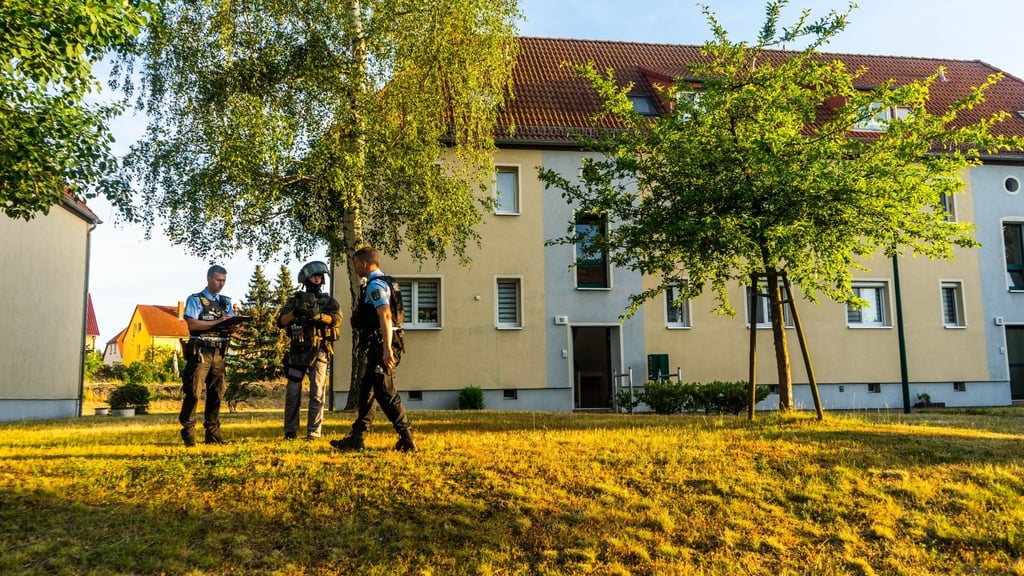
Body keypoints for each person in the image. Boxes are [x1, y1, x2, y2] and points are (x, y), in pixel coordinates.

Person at [330, 246, 416, 452]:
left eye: (355, 264)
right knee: (367, 390)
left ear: (364, 263)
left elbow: (385, 315)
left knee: (385, 391)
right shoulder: (389, 281)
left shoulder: (375, 285)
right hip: (387, 340)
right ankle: (357, 438)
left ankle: (407, 439)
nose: (355, 268)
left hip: (383, 343)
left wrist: (386, 348)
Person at [277, 261, 342, 440]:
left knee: (317, 393)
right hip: (297, 352)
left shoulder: (328, 301)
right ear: (306, 279)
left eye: (320, 277)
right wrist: (296, 313)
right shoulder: (294, 300)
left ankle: (314, 433)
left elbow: (337, 319)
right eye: (314, 276)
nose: (317, 279)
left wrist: (319, 316)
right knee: (292, 393)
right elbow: (280, 322)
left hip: (319, 351)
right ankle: (290, 432)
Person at [179, 265, 241, 446]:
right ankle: (189, 436)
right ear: (208, 279)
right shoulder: (195, 299)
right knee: (193, 393)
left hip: (219, 352)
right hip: (200, 352)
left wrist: (234, 326)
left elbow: (229, 326)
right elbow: (192, 325)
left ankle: (213, 436)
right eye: (218, 280)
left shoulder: (225, 302)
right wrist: (217, 322)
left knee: (217, 393)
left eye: (223, 281)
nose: (221, 284)